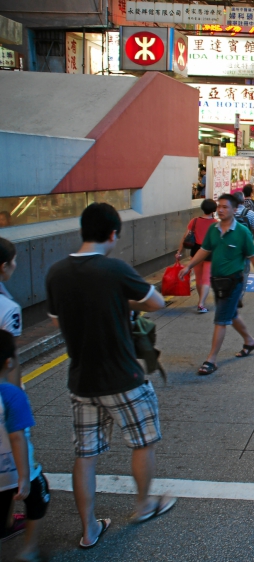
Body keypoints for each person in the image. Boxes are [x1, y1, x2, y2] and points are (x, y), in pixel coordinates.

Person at [45, 203, 173, 547]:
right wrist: (124, 304)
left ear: (82, 230)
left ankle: (89, 529)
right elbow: (157, 302)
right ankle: (144, 504)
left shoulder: (56, 272)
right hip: (122, 377)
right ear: (113, 234)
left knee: (85, 454)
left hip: (81, 379)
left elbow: (58, 321)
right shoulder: (115, 269)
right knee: (143, 441)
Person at [178, 193, 254, 376]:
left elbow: (253, 256)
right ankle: (249, 341)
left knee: (221, 319)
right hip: (216, 281)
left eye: (225, 207)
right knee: (231, 314)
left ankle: (211, 359)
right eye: (219, 206)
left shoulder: (242, 232)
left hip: (233, 282)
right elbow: (204, 250)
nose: (220, 209)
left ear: (235, 210)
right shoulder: (213, 230)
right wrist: (189, 266)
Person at [0, 331, 48, 560]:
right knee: (39, 496)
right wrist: (23, 477)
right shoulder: (12, 395)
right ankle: (29, 550)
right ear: (9, 362)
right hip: (14, 471)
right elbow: (17, 437)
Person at [176, 199, 217, 313]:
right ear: (214, 209)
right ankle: (201, 304)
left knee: (199, 278)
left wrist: (179, 251)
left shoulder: (194, 221)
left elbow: (185, 237)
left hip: (195, 251)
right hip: (209, 252)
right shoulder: (216, 223)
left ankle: (200, 300)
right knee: (206, 279)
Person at [0, 237, 22, 387]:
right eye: (13, 261)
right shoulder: (9, 308)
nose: (15, 265)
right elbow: (11, 359)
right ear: (4, 266)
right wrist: (16, 394)